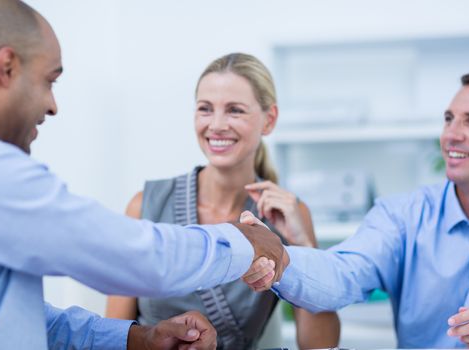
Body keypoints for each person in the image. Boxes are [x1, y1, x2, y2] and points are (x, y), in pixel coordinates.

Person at [0, 1, 283, 349]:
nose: (53, 105)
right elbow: (139, 259)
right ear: (7, 67)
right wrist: (244, 242)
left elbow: (18, 317)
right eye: (50, 81)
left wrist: (140, 337)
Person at [244, 70, 469, 348]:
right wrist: (280, 257)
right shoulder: (401, 216)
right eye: (449, 119)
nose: (450, 135)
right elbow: (343, 273)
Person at [105, 53, 340, 350]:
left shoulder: (286, 215)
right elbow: (114, 336)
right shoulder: (144, 206)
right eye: (205, 109)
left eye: (235, 111)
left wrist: (303, 246)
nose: (216, 125)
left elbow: (321, 346)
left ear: (269, 120)